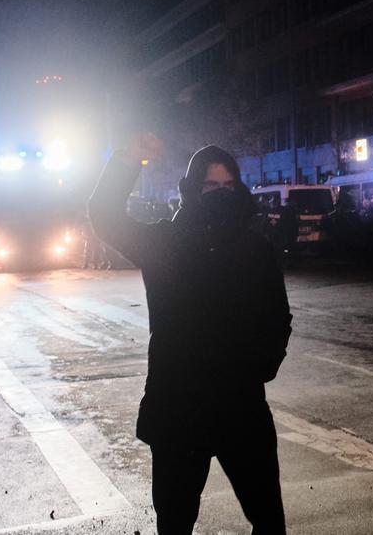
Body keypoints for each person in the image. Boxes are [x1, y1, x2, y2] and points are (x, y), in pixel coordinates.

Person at [88, 134, 292, 534]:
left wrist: (265, 364)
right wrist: (126, 161)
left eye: (228, 186)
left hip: (241, 407)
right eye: (209, 186)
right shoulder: (164, 241)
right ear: (192, 189)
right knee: (176, 521)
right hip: (178, 408)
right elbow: (105, 215)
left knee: (269, 519)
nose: (219, 194)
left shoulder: (254, 248)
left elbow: (278, 313)